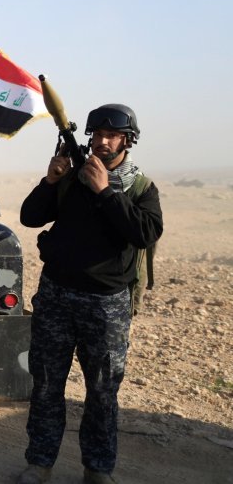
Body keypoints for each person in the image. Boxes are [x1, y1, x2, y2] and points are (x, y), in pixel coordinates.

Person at [16, 104, 163, 484]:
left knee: (101, 391)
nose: (101, 142)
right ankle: (39, 464)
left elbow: (145, 233)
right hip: (57, 296)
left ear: (127, 141)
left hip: (106, 305)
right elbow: (31, 216)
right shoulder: (73, 178)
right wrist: (51, 180)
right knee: (47, 384)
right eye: (96, 135)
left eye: (111, 136)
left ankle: (97, 469)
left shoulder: (140, 188)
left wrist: (104, 192)